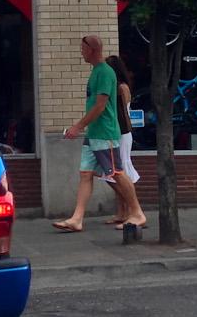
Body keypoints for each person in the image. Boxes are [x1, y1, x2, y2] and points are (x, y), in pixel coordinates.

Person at [53, 34, 143, 235]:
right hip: (94, 133)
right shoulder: (96, 72)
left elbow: (100, 106)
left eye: (83, 49)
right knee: (86, 174)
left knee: (116, 173)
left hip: (105, 133)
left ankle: (137, 212)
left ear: (92, 50)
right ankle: (77, 218)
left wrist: (78, 126)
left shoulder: (104, 73)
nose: (81, 52)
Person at [102, 54, 146, 230]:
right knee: (113, 172)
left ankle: (129, 210)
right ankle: (121, 211)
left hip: (121, 131)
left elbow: (122, 110)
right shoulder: (116, 87)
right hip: (116, 131)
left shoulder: (121, 88)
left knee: (120, 169)